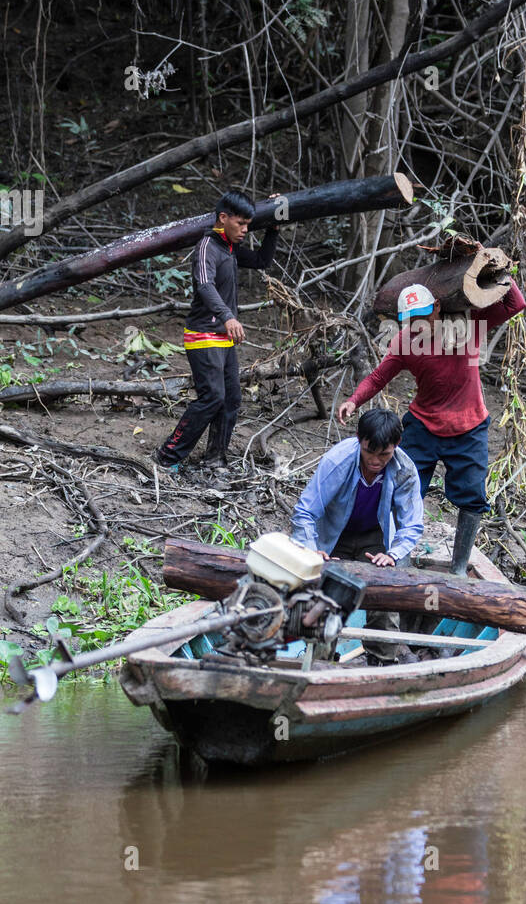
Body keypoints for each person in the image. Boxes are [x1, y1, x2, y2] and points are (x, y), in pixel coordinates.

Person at [337, 264, 526, 574]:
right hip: (423, 425)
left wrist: (497, 268)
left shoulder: (467, 328)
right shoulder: (405, 342)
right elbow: (378, 378)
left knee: (472, 497)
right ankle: (400, 558)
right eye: (410, 320)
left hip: (469, 426)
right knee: (402, 489)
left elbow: (515, 304)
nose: (417, 325)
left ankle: (459, 568)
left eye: (423, 317)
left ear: (437, 307)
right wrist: (353, 400)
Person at [154, 189, 279, 473]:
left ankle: (215, 459)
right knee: (212, 397)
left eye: (248, 224)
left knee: (231, 399)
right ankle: (167, 456)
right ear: (223, 218)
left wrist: (273, 229)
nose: (245, 230)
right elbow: (204, 285)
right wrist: (227, 317)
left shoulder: (230, 248)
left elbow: (261, 261)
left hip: (224, 338)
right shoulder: (207, 246)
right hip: (202, 335)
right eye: (241, 224)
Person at [291, 409, 424, 665]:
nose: (375, 461)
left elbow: (412, 524)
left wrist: (392, 554)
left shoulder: (405, 470)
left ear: (396, 445)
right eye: (369, 452)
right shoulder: (338, 461)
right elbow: (305, 511)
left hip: (375, 537)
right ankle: (319, 661)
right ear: (358, 439)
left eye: (384, 455)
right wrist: (310, 549)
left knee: (384, 591)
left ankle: (382, 661)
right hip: (334, 536)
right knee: (324, 594)